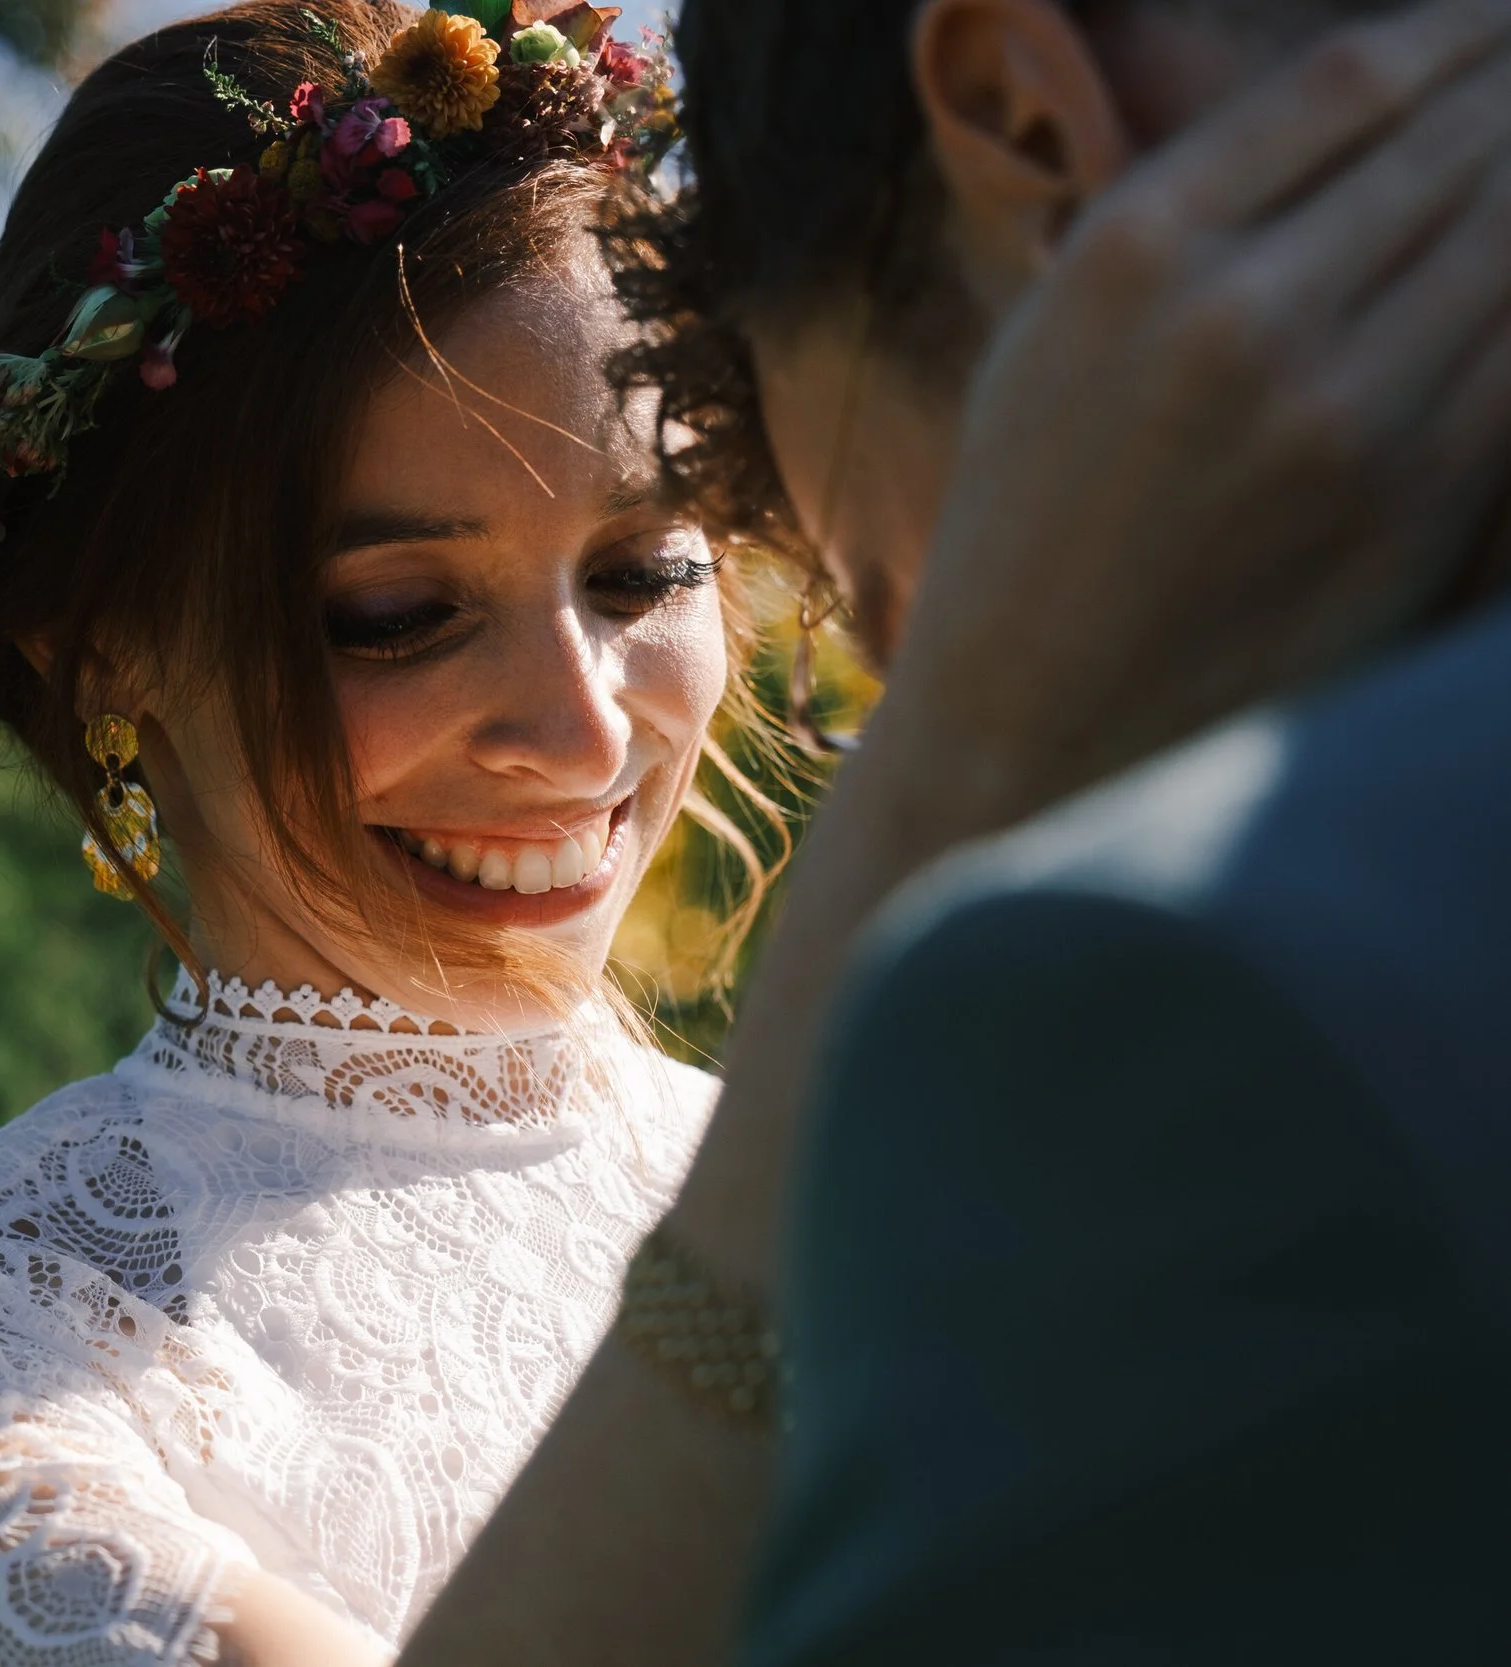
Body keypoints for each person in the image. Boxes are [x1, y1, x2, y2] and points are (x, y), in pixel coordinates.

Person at [401, 0, 1511, 1662]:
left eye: (921, 613)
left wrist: (963, 768)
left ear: (1035, 126)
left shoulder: (1153, 1003)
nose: (577, 732)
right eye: (401, 607)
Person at [0, 6, 742, 1663]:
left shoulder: (874, 1167)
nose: (590, 729)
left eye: (646, 572)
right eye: (395, 611)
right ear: (104, 650)